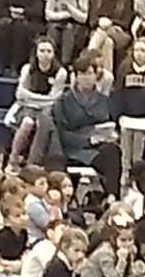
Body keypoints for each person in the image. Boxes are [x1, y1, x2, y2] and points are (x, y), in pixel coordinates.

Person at [50, 59, 123, 198]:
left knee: (113, 151)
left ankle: (112, 197)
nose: (86, 77)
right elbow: (62, 134)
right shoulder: (63, 101)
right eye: (82, 73)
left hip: (100, 147)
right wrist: (89, 140)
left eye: (90, 73)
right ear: (76, 76)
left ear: (96, 76)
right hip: (73, 148)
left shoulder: (106, 101)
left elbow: (113, 125)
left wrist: (112, 135)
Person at [7, 37, 67, 169]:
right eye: (42, 51)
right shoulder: (27, 69)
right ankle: (13, 158)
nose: (45, 54)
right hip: (27, 107)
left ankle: (32, 162)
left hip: (47, 108)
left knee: (42, 122)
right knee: (27, 122)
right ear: (36, 52)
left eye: (48, 51)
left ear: (53, 54)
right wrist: (40, 99)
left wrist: (32, 98)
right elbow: (20, 94)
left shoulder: (61, 73)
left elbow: (55, 98)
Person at [112, 38, 145, 184]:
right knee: (125, 145)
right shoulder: (124, 68)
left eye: (143, 51)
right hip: (126, 116)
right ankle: (125, 171)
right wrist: (117, 117)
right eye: (136, 50)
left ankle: (136, 174)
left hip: (144, 118)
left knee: (138, 148)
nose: (139, 54)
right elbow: (118, 94)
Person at [86, 0, 135, 77]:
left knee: (103, 31)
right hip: (99, 32)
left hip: (121, 34)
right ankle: (107, 76)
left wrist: (110, 23)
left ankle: (89, 55)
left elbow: (127, 23)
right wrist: (100, 22)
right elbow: (91, 21)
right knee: (108, 42)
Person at [45, 0, 92, 66]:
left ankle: (66, 64)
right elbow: (48, 14)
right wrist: (65, 15)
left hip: (77, 23)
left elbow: (84, 18)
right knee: (53, 31)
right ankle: (51, 62)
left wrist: (70, 10)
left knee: (68, 31)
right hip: (57, 20)